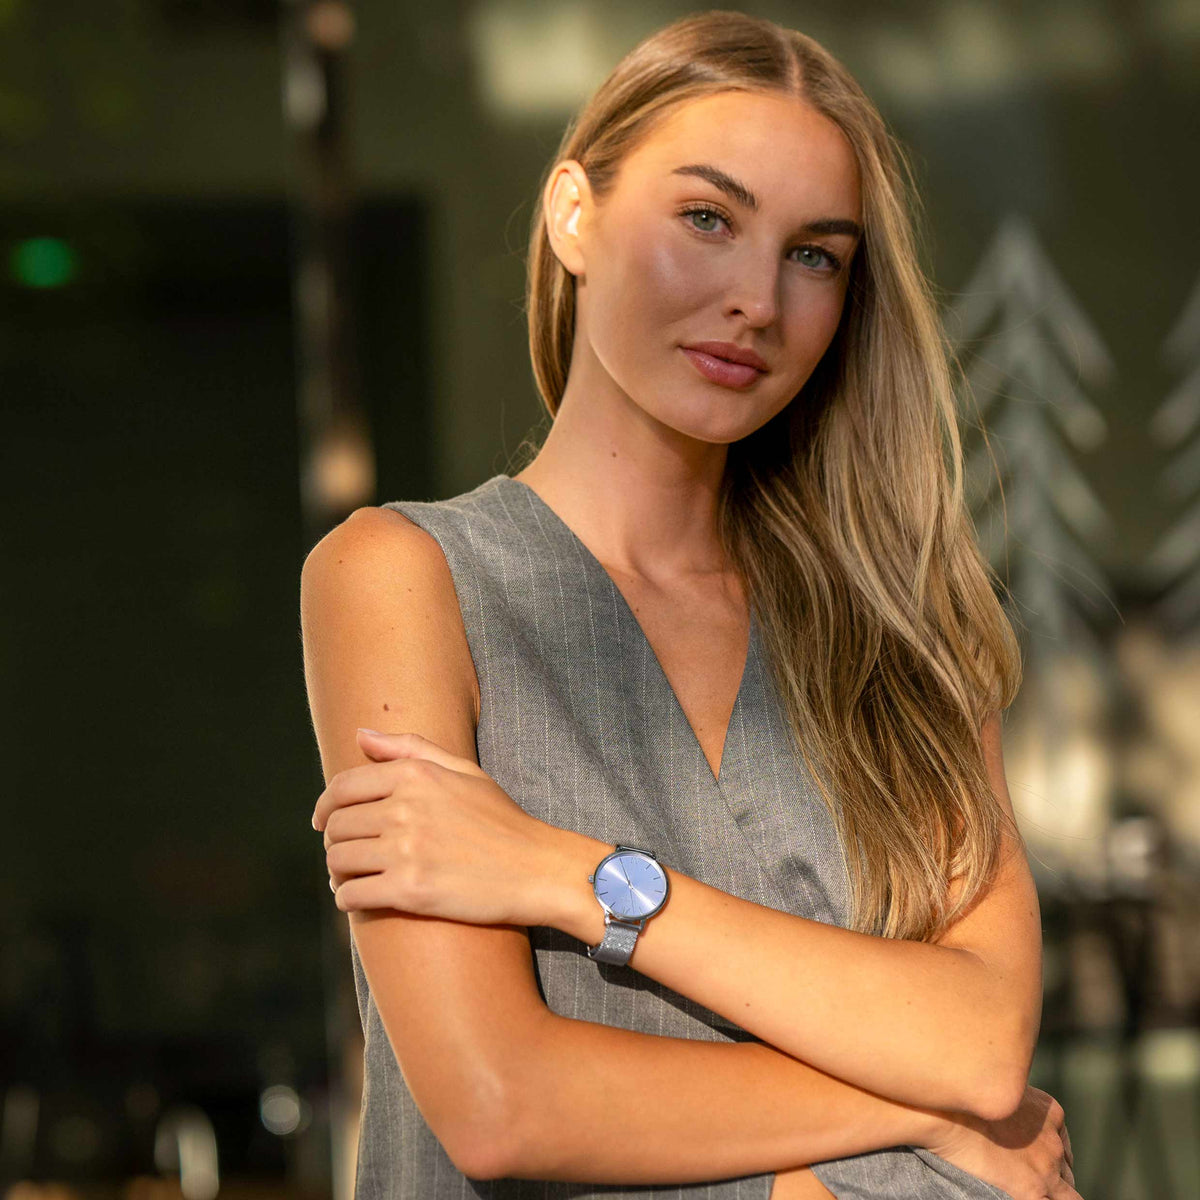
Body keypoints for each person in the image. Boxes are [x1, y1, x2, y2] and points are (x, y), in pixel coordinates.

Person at [301, 10, 1078, 1199]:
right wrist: (922, 1112)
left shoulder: (900, 636)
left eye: (813, 254)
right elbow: (505, 1108)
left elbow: (978, 1043)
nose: (755, 301)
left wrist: (569, 873)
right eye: (706, 219)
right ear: (575, 214)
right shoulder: (400, 575)